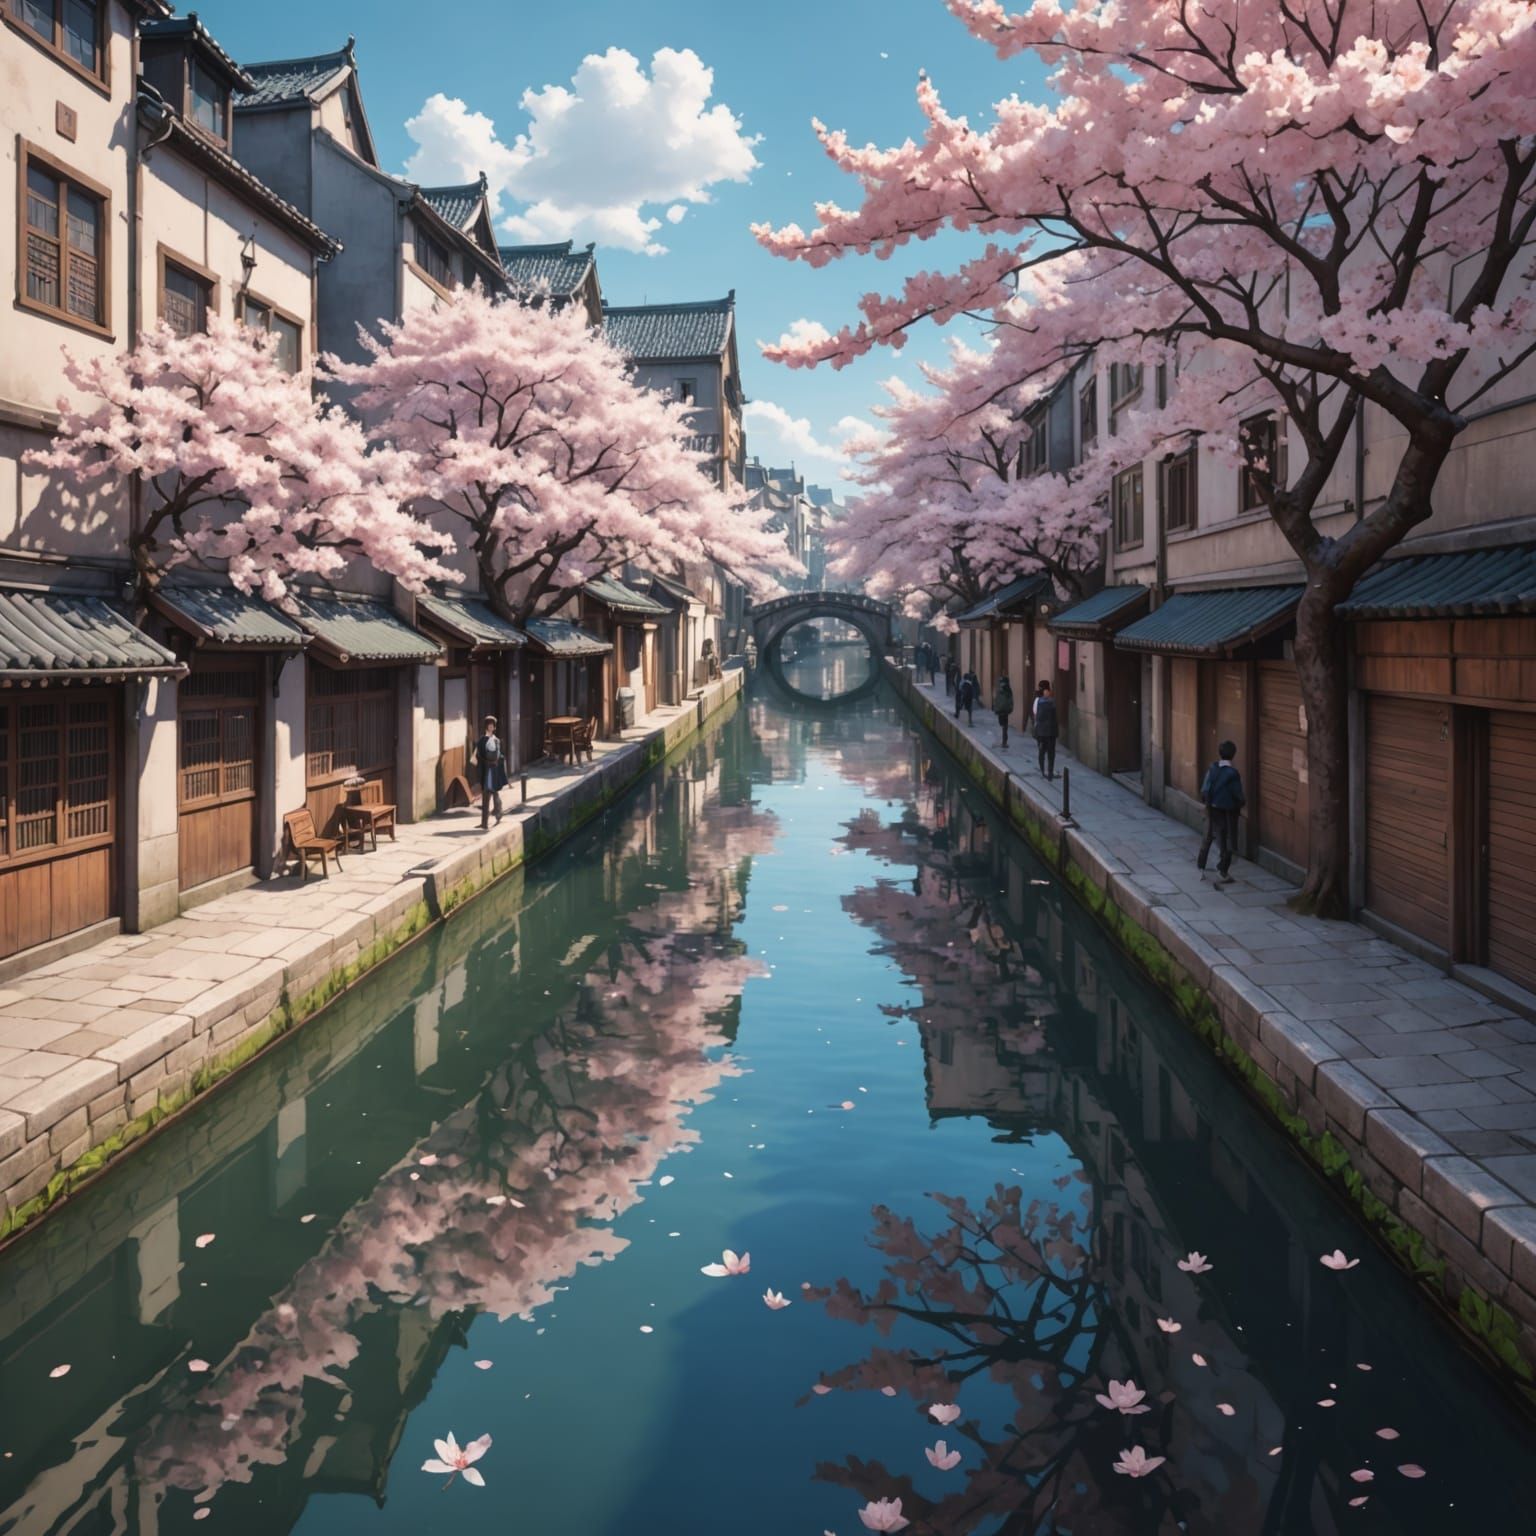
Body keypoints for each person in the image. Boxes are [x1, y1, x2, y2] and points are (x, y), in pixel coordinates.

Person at [1197, 739, 1246, 885]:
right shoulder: (1233, 774)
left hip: (1211, 809)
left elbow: (1205, 789)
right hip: (1227, 811)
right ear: (1233, 755)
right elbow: (1238, 794)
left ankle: (1201, 868)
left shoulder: (1213, 768)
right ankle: (1222, 870)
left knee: (1208, 837)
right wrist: (1241, 804)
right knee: (1228, 839)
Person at [472, 715, 509, 831]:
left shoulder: (496, 740)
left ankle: (498, 813)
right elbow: (478, 755)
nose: (491, 727)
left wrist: (495, 761)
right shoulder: (482, 740)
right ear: (486, 727)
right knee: (487, 795)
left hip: (493, 769)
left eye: (492, 725)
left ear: (494, 727)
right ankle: (485, 822)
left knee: (494, 793)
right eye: (489, 725)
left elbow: (499, 755)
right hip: (486, 770)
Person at [1032, 680, 1059, 779]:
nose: (1049, 692)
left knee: (1042, 751)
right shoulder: (1052, 701)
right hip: (1050, 731)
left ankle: (1044, 771)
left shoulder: (1037, 700)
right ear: (1047, 690)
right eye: (1048, 690)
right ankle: (1049, 772)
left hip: (1041, 731)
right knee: (1050, 752)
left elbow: (1035, 714)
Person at [992, 674, 1015, 747]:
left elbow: (996, 699)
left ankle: (1003, 741)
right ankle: (1004, 742)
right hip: (1005, 710)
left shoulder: (999, 689)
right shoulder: (1008, 689)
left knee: (1002, 725)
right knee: (1005, 727)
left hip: (1000, 710)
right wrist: (1010, 708)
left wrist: (995, 708)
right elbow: (1010, 700)